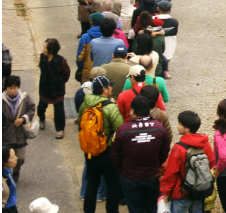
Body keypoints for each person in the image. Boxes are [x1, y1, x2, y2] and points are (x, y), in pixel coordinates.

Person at [111, 96, 170, 212]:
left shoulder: (122, 130)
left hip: (130, 176)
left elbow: (114, 154)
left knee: (135, 208)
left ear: (132, 110)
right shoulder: (159, 127)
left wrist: (121, 170)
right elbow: (165, 150)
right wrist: (157, 165)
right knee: (154, 207)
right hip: (152, 175)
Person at [78, 76, 124, 213]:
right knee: (113, 184)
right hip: (106, 151)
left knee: (92, 182)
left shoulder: (84, 105)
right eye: (110, 86)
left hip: (90, 151)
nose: (111, 88)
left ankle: (88, 210)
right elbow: (120, 129)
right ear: (104, 89)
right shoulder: (110, 107)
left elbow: (81, 125)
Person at [160, 110, 215, 211]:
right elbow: (211, 163)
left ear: (187, 128)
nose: (177, 126)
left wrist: (166, 191)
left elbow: (171, 173)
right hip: (198, 191)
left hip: (181, 192)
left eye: (180, 124)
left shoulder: (178, 148)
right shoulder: (205, 144)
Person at [2, 76, 35, 183]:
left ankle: (16, 170)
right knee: (5, 159)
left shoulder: (24, 98)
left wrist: (23, 118)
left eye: (15, 87)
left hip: (20, 135)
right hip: (6, 136)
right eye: (10, 88)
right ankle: (5, 176)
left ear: (18, 88)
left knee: (20, 158)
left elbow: (31, 109)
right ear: (6, 88)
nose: (12, 90)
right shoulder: (2, 100)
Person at [37, 39, 70, 140]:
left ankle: (60, 129)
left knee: (59, 110)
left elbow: (66, 73)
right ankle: (42, 119)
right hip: (45, 87)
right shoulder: (42, 57)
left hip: (57, 89)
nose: (43, 49)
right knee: (41, 107)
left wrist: (60, 81)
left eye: (45, 47)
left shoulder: (61, 61)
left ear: (50, 50)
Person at [2, 148, 18, 213]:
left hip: (12, 206)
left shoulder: (7, 172)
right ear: (3, 161)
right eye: (12, 157)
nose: (16, 158)